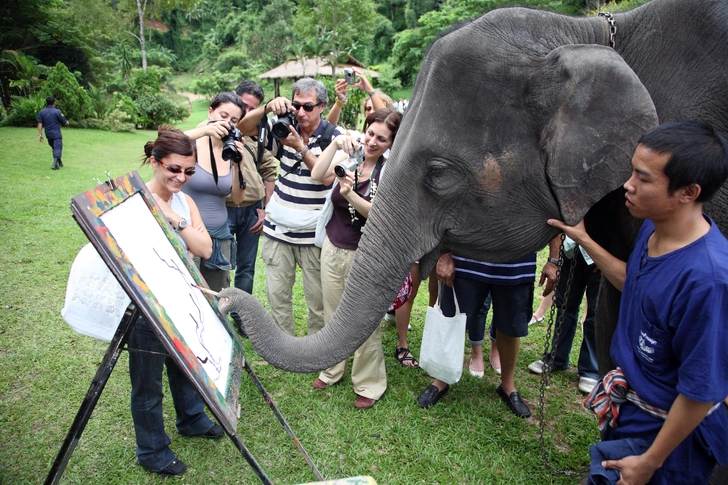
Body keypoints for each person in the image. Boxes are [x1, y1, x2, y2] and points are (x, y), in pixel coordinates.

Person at [550, 121, 728, 484]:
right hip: (631, 410)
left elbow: (699, 392)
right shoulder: (653, 226)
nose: (628, 185)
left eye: (643, 179)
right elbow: (636, 283)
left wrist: (650, 461)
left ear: (688, 192)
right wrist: (583, 239)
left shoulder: (708, 281)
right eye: (631, 171)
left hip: (671, 441)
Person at [130, 127, 221, 477]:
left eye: (189, 171)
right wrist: (181, 225)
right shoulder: (133, 202)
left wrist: (172, 217)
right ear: (155, 162)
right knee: (147, 382)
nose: (181, 178)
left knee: (185, 365)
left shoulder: (183, 201)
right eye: (173, 169)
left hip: (183, 297)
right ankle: (152, 450)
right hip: (146, 304)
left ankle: (192, 418)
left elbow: (206, 249)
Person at [307, 107, 402, 408]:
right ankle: (332, 368)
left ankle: (369, 383)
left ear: (392, 143)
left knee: (364, 320)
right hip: (334, 247)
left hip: (368, 255)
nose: (373, 142)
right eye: (370, 134)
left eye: (382, 139)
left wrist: (349, 194)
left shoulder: (392, 172)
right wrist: (336, 144)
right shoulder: (348, 157)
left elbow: (379, 215)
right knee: (333, 313)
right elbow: (317, 174)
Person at [238, 78, 344, 336]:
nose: (301, 112)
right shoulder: (283, 128)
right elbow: (244, 127)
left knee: (317, 301)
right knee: (278, 296)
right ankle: (282, 345)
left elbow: (327, 176)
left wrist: (300, 147)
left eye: (308, 107)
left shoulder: (334, 137)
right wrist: (267, 110)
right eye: (296, 105)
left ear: (322, 106)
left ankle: (314, 347)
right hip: (278, 231)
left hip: (314, 234)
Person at [418, 252, 554, 418]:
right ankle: (441, 379)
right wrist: (445, 254)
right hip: (466, 257)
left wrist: (553, 260)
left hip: (516, 263)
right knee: (452, 319)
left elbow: (554, 225)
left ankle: (507, 386)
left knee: (509, 327)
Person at [183, 92, 247, 293]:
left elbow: (237, 199)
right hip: (186, 235)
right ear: (210, 112)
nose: (228, 123)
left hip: (219, 239)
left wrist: (239, 165)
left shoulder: (230, 151)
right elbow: (163, 143)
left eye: (234, 120)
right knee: (184, 293)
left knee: (216, 298)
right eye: (223, 115)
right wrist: (204, 131)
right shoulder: (190, 144)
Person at [528, 235, 601, 394]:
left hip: (600, 252)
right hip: (571, 249)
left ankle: (591, 369)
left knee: (596, 313)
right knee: (564, 306)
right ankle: (555, 358)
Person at [225, 81, 276, 299]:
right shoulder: (215, 129)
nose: (247, 112)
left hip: (252, 210)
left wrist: (265, 208)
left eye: (252, 108)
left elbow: (269, 169)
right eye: (244, 106)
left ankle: (241, 315)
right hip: (223, 207)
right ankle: (218, 315)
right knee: (220, 265)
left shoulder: (257, 134)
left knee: (246, 267)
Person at [37, 96, 69, 170]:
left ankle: (59, 162)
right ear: (54, 103)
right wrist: (67, 122)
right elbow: (64, 122)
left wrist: (40, 134)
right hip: (56, 134)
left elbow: (40, 123)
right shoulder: (57, 112)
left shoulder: (42, 112)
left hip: (48, 134)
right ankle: (54, 165)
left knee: (55, 148)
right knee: (57, 148)